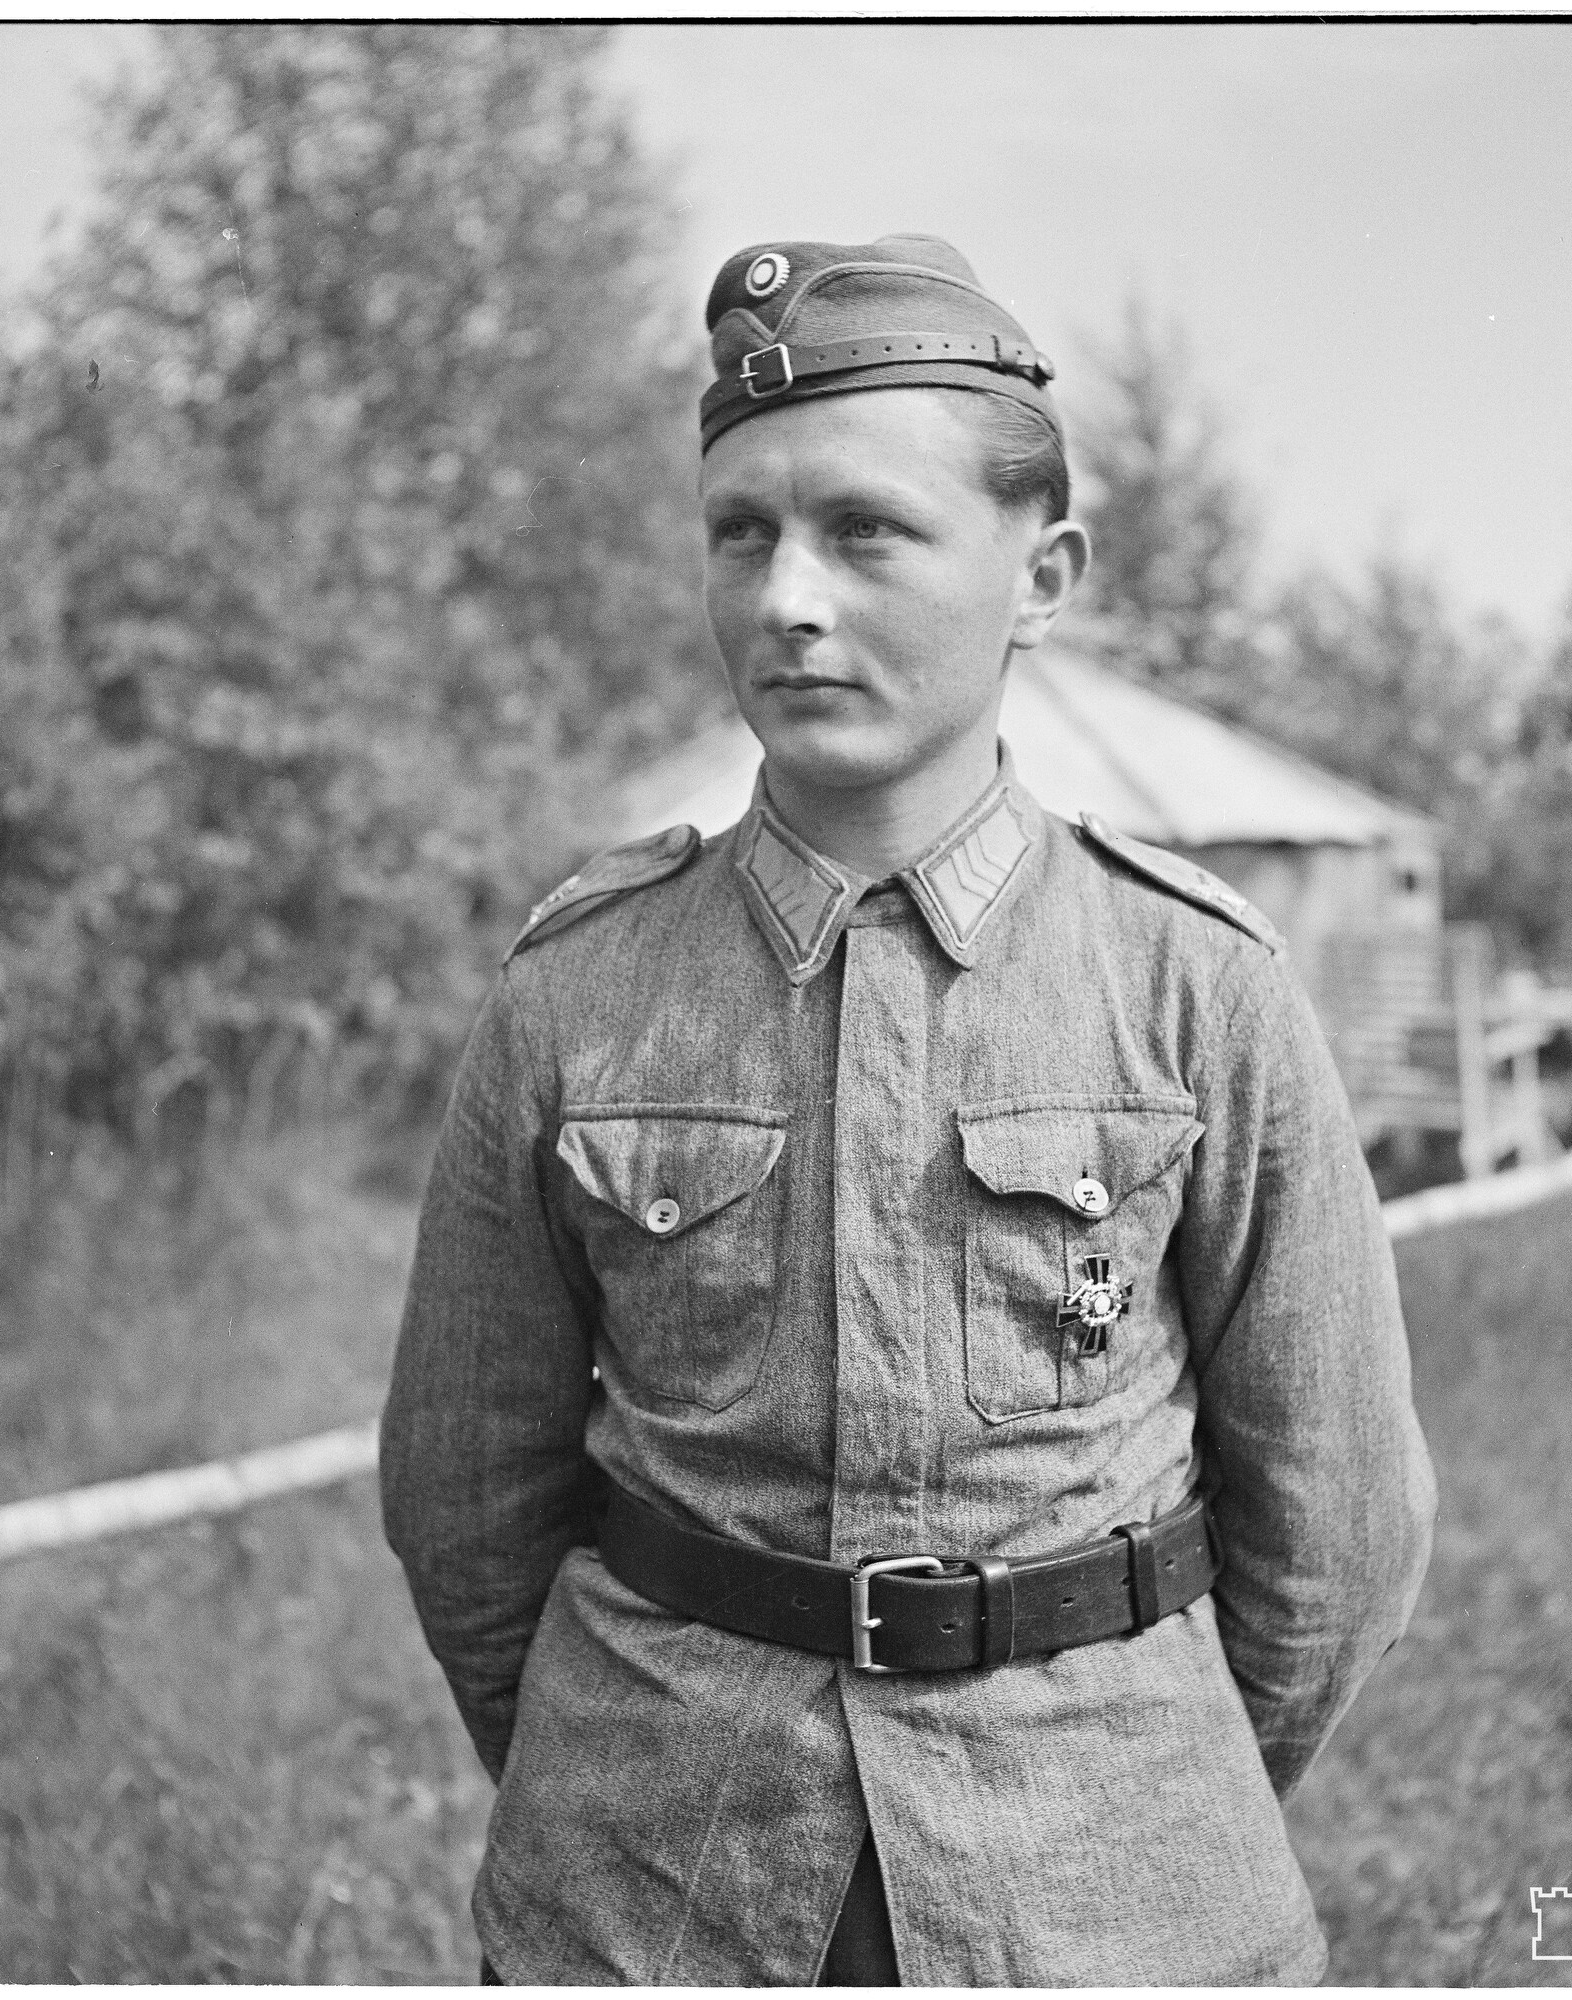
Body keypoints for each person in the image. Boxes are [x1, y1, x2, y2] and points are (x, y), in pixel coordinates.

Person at [380, 233, 1437, 1986]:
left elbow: (1337, 1520)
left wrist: (1157, 1796)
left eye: (865, 531)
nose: (786, 598)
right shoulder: (575, 993)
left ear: (1042, 575)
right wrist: (603, 1779)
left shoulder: (1197, 985)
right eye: (742, 534)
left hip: (1112, 1890)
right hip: (650, 1890)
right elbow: (461, 1499)